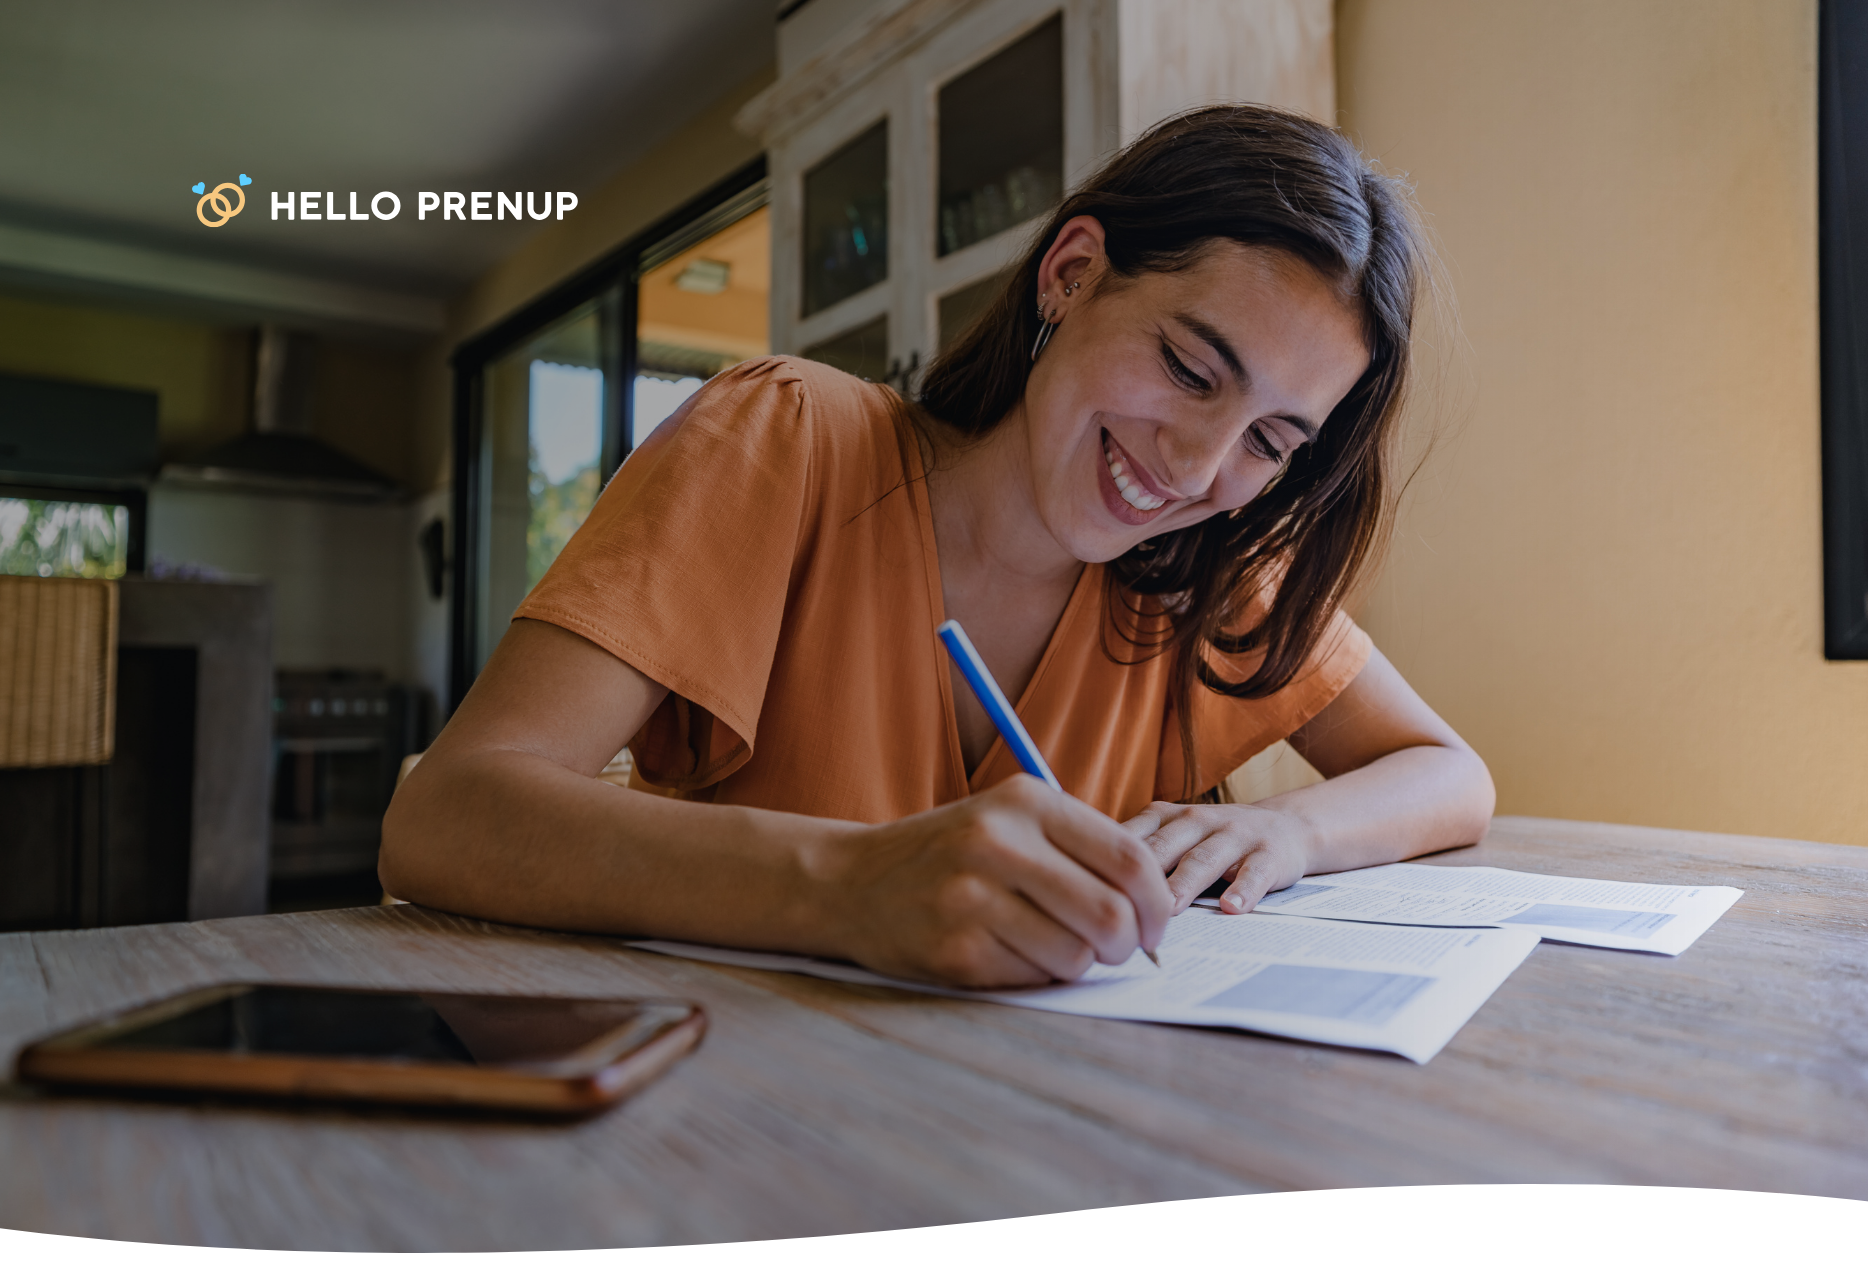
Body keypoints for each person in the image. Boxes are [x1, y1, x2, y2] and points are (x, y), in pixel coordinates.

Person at [381, 106, 1494, 988]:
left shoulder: (1203, 576)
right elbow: (445, 817)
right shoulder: (791, 439)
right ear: (1071, 273)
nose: (1199, 468)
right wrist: (848, 885)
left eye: (1270, 440)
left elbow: (1451, 773)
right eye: (1192, 370)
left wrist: (1288, 830)